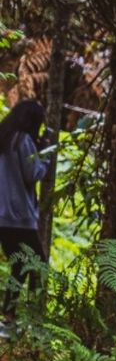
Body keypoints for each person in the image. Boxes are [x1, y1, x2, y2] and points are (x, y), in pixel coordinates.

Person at [0, 99, 51, 315]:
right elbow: (33, 173)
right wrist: (47, 155)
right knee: (38, 264)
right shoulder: (22, 141)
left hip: (2, 215)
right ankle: (33, 317)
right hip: (19, 215)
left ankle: (9, 314)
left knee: (20, 264)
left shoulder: (4, 138)